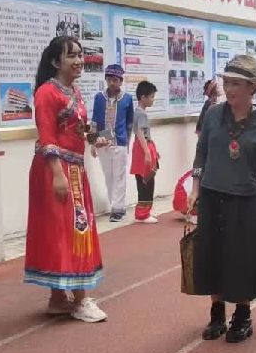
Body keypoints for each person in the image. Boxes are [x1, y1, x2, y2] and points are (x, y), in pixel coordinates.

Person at [188, 54, 256, 343]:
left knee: (241, 259)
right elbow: (201, 154)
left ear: (252, 88)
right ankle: (216, 313)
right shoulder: (213, 115)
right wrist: (195, 188)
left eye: (236, 84)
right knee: (212, 256)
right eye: (227, 82)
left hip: (245, 199)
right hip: (212, 195)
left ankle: (242, 316)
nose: (229, 89)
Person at [23, 36, 107, 322]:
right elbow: (47, 137)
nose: (79, 61)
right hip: (56, 170)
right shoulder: (46, 93)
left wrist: (96, 138)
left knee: (65, 230)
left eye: (80, 55)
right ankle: (81, 301)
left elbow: (79, 129)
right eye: (72, 55)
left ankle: (58, 298)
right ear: (55, 61)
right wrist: (58, 175)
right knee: (74, 230)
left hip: (74, 168)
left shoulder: (74, 92)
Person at [92, 64, 134, 222]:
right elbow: (94, 121)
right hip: (102, 142)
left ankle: (118, 209)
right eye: (109, 79)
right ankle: (114, 206)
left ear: (121, 81)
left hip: (119, 142)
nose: (112, 83)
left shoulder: (127, 99)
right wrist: (93, 143)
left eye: (115, 80)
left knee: (119, 176)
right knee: (108, 176)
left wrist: (126, 142)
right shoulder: (99, 98)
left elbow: (129, 122)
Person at [131, 80, 160, 224]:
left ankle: (143, 212)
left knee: (143, 181)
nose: (153, 99)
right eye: (152, 96)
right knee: (146, 182)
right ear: (143, 97)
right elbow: (140, 133)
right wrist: (147, 152)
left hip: (141, 148)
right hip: (143, 148)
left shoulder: (138, 112)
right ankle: (143, 214)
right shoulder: (141, 114)